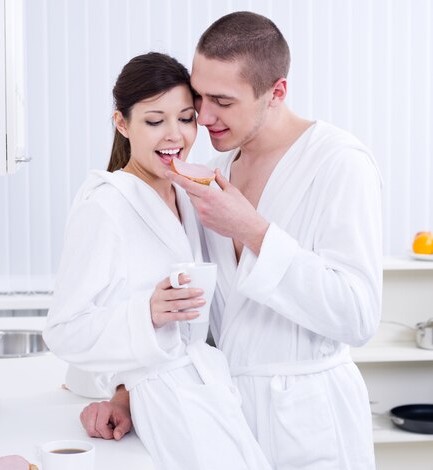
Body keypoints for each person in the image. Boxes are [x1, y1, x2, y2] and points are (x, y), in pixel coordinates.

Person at [79, 11, 383, 470]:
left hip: (311, 420)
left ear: (276, 92)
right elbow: (200, 322)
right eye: (200, 97)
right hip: (229, 420)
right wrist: (126, 394)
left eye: (222, 100)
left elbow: (358, 316)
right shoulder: (214, 177)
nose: (203, 116)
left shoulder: (339, 164)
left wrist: (252, 230)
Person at [43, 52, 270, 470]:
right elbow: (63, 330)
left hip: (211, 387)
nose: (175, 135)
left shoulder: (187, 192)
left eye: (186, 118)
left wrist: (121, 393)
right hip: (166, 403)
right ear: (122, 124)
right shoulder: (105, 206)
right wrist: (146, 314)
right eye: (154, 121)